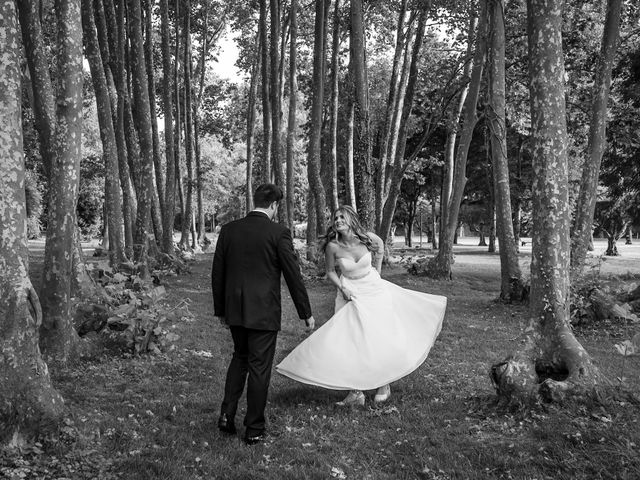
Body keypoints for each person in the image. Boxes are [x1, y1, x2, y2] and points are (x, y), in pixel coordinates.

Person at [276, 205, 446, 406]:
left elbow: (381, 245)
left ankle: (384, 383)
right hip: (349, 293)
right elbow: (330, 271)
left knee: (380, 337)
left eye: (341, 217)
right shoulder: (333, 246)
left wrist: (378, 270)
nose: (337, 220)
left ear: (350, 219)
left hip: (374, 290)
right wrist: (342, 288)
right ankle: (355, 392)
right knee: (349, 340)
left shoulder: (367, 239)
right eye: (335, 217)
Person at [212, 184, 315, 445]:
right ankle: (254, 428)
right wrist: (306, 313)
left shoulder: (228, 230)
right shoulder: (278, 233)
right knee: (259, 367)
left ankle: (226, 415)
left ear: (255, 201)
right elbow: (293, 275)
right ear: (273, 205)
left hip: (235, 309)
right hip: (264, 311)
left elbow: (218, 274)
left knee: (239, 359)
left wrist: (221, 310)